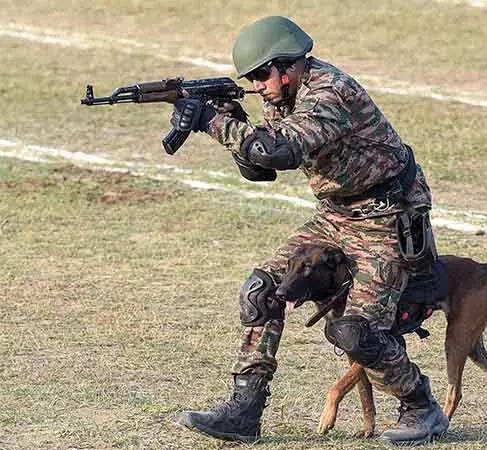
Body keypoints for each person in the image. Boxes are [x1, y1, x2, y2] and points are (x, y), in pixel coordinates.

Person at [172, 15, 449, 446]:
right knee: (260, 290)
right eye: (252, 78)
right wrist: (230, 118)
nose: (259, 84)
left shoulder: (328, 92)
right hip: (335, 215)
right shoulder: (282, 95)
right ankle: (245, 411)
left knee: (355, 332)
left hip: (386, 218)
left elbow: (281, 151)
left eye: (263, 75)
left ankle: (420, 405)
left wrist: (213, 123)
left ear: (288, 65)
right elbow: (260, 168)